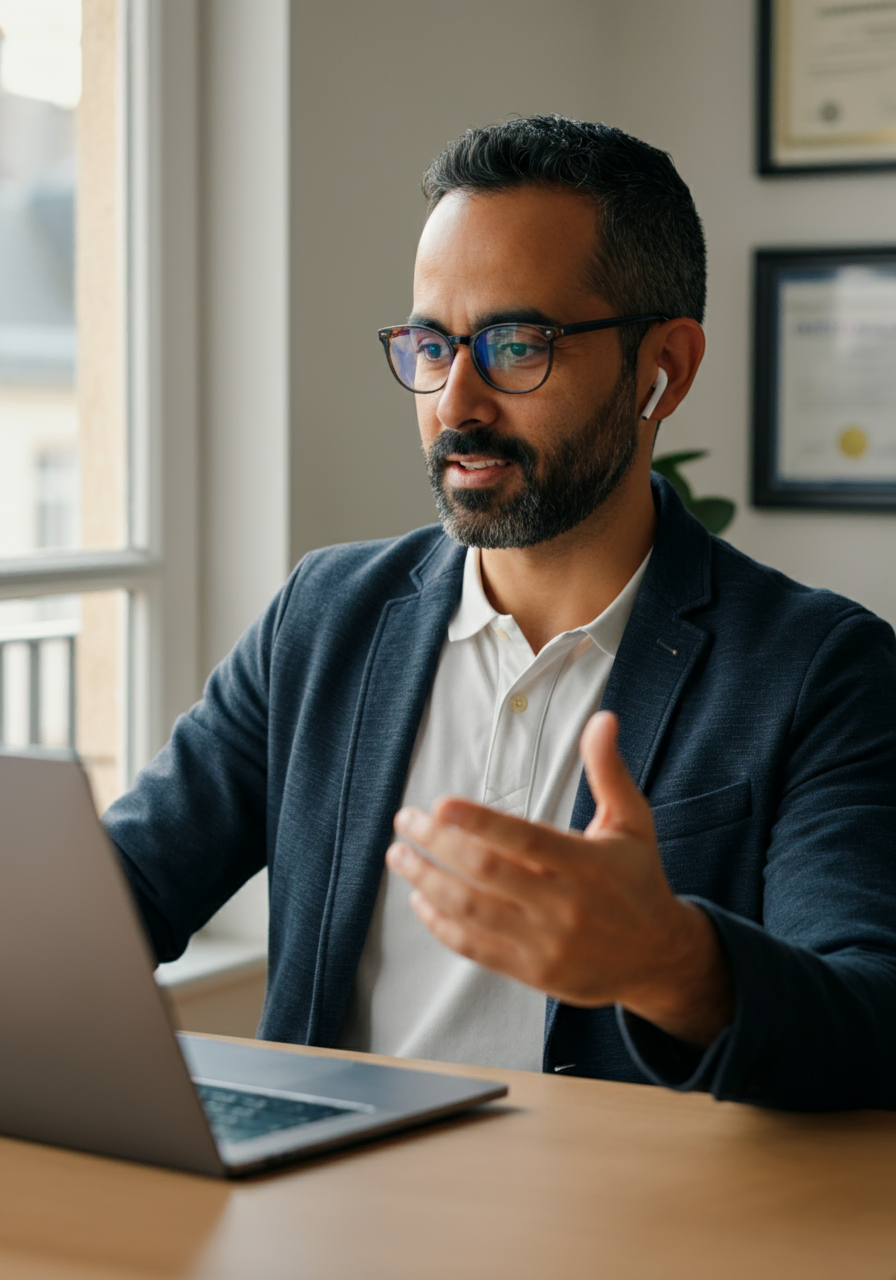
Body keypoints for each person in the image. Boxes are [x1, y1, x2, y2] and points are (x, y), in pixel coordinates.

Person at [105, 115, 896, 1110]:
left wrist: (670, 960)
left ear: (664, 367)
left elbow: (873, 1022)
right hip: (316, 1229)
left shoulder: (818, 667)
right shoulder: (322, 617)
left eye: (517, 343)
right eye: (431, 343)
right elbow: (112, 899)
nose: (457, 399)